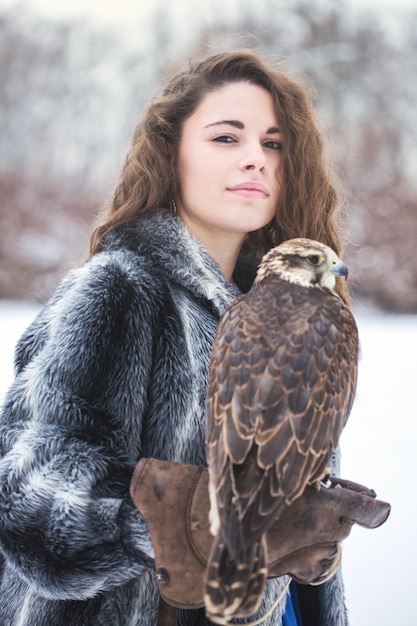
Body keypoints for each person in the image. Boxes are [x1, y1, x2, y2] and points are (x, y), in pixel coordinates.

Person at [0, 49, 374, 626]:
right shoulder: (119, 289)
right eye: (228, 138)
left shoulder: (291, 313)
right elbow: (27, 499)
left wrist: (309, 531)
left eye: (273, 144)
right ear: (170, 155)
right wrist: (194, 519)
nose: (256, 159)